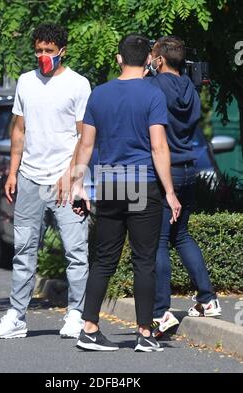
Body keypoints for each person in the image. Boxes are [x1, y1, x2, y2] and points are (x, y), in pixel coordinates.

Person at [71, 34, 181, 352]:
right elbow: (159, 146)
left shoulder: (99, 94)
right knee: (143, 260)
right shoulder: (153, 94)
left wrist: (78, 184)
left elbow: (86, 144)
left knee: (103, 259)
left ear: (119, 59)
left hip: (108, 181)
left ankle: (89, 328)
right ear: (149, 59)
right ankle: (145, 334)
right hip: (142, 181)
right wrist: (170, 192)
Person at [0, 23, 91, 339]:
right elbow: (19, 129)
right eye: (38, 50)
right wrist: (13, 171)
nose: (43, 56)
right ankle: (16, 317)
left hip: (65, 182)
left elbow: (83, 134)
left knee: (75, 251)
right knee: (23, 249)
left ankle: (75, 314)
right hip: (30, 178)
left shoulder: (78, 84)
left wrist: (71, 174)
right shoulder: (25, 82)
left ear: (63, 51)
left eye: (49, 50)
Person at [148, 36, 222, 337]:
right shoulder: (190, 88)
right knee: (182, 235)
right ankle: (207, 298)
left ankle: (161, 311)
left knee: (159, 240)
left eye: (153, 55)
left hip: (167, 170)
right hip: (190, 167)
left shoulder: (153, 88)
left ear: (160, 59)